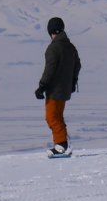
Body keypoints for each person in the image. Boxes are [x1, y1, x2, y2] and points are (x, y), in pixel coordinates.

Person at [35, 17, 81, 154]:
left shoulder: (53, 48)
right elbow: (77, 65)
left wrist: (42, 86)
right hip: (65, 90)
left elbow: (50, 69)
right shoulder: (71, 47)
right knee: (58, 116)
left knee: (51, 117)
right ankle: (64, 143)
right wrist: (72, 82)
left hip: (54, 90)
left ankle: (61, 145)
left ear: (50, 32)